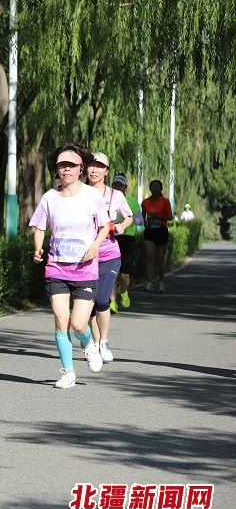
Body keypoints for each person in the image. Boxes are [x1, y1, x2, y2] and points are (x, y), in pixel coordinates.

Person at [29, 143, 111, 388]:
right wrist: (38, 248)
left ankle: (88, 343)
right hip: (57, 268)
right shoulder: (49, 198)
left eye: (71, 165)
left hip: (85, 269)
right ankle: (67, 372)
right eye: (62, 166)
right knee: (61, 320)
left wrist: (95, 246)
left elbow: (105, 226)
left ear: (80, 168)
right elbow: (39, 226)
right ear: (56, 170)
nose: (66, 169)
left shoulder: (92, 196)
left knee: (78, 323)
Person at [85, 154, 132, 362]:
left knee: (102, 299)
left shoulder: (115, 195)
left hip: (109, 254)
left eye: (100, 166)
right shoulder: (79, 192)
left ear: (106, 171)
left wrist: (123, 225)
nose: (94, 170)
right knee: (87, 303)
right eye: (91, 166)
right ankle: (95, 342)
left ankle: (104, 341)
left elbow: (128, 216)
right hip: (84, 256)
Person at [109, 174, 141, 311]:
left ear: (125, 188)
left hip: (127, 238)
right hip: (110, 238)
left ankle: (124, 290)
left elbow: (140, 221)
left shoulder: (131, 202)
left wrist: (125, 221)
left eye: (120, 185)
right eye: (115, 185)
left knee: (124, 274)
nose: (117, 188)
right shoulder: (107, 200)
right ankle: (112, 302)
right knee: (111, 272)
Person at [141, 179, 173, 293]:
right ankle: (149, 282)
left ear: (160, 189)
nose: (155, 189)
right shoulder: (145, 202)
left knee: (160, 257)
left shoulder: (165, 202)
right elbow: (143, 215)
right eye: (153, 186)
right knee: (149, 256)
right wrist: (145, 224)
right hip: (150, 231)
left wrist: (158, 216)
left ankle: (161, 281)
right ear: (150, 188)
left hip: (161, 230)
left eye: (157, 187)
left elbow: (170, 217)